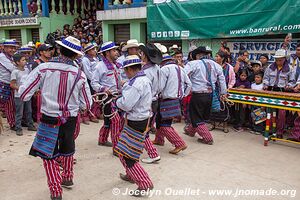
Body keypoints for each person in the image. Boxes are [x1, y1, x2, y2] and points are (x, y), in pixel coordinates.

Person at [19, 36, 92, 200]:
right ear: (75, 55)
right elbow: (87, 103)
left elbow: (23, 93)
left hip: (49, 118)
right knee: (67, 149)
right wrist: (78, 106)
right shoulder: (79, 74)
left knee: (48, 155)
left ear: (58, 49)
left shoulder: (44, 68)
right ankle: (67, 177)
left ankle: (56, 191)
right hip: (70, 119)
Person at [114, 55, 154, 197]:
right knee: (125, 151)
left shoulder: (136, 83)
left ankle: (144, 183)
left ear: (130, 69)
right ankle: (131, 175)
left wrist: (117, 101)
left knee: (127, 156)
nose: (125, 72)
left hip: (135, 120)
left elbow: (126, 104)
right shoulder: (144, 80)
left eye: (125, 70)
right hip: (142, 119)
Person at [184, 46, 227, 145]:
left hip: (198, 95)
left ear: (198, 55)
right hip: (210, 95)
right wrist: (223, 93)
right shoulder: (216, 65)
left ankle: (208, 138)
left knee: (196, 116)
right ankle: (190, 131)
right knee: (200, 116)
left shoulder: (193, 64)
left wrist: (184, 90)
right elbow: (222, 80)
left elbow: (183, 76)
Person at [153, 52, 191, 153]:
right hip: (176, 99)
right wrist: (183, 95)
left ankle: (180, 144)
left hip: (166, 100)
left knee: (165, 124)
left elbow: (160, 87)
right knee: (160, 120)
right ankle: (159, 139)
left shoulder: (164, 69)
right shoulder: (181, 69)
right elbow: (189, 84)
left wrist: (154, 94)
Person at [91, 41, 122, 149]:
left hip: (117, 96)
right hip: (107, 98)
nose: (116, 52)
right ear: (107, 53)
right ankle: (117, 147)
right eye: (114, 50)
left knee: (109, 120)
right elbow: (94, 83)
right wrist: (104, 89)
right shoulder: (99, 66)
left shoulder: (116, 65)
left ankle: (102, 139)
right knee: (116, 121)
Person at [263, 49, 295, 138]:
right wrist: (265, 84)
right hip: (271, 90)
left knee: (282, 113)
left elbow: (292, 81)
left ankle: (279, 131)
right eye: (276, 59)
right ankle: (269, 129)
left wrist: (289, 85)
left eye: (280, 59)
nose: (278, 61)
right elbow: (265, 78)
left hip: (283, 92)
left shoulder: (290, 69)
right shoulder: (270, 67)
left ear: (285, 59)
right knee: (269, 111)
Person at [138, 43, 161, 164]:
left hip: (147, 102)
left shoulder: (145, 72)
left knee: (142, 129)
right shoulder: (157, 68)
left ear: (145, 56)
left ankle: (153, 153)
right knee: (143, 128)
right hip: (155, 100)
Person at [10, 53, 37, 136]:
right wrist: (21, 89)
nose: (25, 61)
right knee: (19, 112)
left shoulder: (27, 70)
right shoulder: (15, 72)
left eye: (25, 60)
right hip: (18, 96)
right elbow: (12, 84)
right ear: (18, 62)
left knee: (29, 111)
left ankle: (30, 125)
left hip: (27, 95)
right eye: (23, 60)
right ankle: (18, 128)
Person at [210, 51, 236, 133]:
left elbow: (232, 79)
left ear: (223, 58)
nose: (216, 58)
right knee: (213, 107)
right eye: (216, 56)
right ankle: (212, 124)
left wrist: (229, 88)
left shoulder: (229, 67)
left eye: (218, 56)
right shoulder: (212, 66)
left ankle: (225, 126)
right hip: (214, 89)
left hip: (224, 90)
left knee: (225, 108)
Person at [0, 39, 18, 130]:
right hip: (5, 84)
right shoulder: (2, 57)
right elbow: (12, 68)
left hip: (11, 83)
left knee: (11, 104)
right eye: (11, 48)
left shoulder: (11, 57)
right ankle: (12, 123)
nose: (13, 50)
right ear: (4, 48)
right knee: (9, 105)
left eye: (14, 48)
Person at [81, 43, 100, 124]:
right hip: (89, 81)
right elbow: (87, 72)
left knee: (95, 98)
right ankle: (85, 116)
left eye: (94, 49)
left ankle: (94, 114)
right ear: (88, 51)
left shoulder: (95, 59)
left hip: (95, 80)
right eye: (92, 49)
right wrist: (94, 80)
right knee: (88, 98)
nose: (94, 51)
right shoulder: (85, 60)